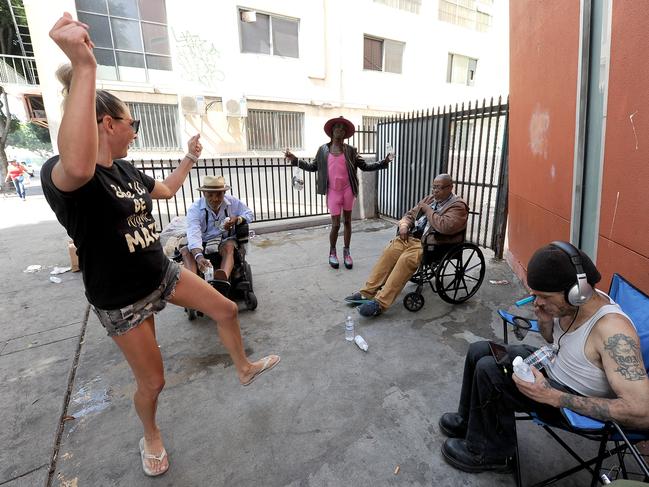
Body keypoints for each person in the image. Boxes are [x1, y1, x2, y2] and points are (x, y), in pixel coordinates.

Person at [42, 13, 279, 477]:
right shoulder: (72, 175)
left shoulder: (128, 172)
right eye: (133, 124)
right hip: (121, 297)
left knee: (227, 309)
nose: (135, 132)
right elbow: (77, 163)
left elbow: (167, 191)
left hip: (160, 272)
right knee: (153, 382)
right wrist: (84, 68)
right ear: (107, 124)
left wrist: (190, 157)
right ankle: (151, 434)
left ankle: (244, 367)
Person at [438, 242, 649, 473]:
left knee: (490, 371)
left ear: (577, 292)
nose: (537, 302)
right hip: (552, 366)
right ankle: (468, 421)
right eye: (535, 295)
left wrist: (553, 397)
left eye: (544, 297)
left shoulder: (613, 332)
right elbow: (553, 341)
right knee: (479, 349)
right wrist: (545, 322)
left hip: (567, 398)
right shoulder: (572, 304)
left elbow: (641, 411)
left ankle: (490, 453)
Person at [345, 174, 468, 317]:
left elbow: (445, 227)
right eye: (433, 187)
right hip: (413, 237)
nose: (434, 191)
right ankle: (367, 292)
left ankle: (381, 303)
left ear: (450, 187)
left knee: (406, 260)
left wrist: (428, 210)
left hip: (433, 244)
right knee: (390, 251)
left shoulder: (458, 206)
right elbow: (410, 215)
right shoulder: (430, 199)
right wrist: (404, 225)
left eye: (438, 188)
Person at [284, 116, 394, 269]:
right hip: (333, 191)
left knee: (348, 222)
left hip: (348, 190)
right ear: (332, 131)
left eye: (343, 128)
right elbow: (313, 167)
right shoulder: (323, 150)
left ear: (345, 133)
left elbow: (365, 166)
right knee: (335, 225)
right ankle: (332, 252)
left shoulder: (351, 151)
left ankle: (347, 252)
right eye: (337, 127)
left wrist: (384, 162)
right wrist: (296, 160)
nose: (340, 130)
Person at [181, 175, 254, 288]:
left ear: (224, 193)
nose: (215, 199)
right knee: (186, 251)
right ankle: (194, 285)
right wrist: (199, 256)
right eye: (210, 195)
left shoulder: (232, 202)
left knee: (229, 246)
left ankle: (222, 280)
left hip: (224, 240)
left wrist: (237, 219)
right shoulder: (194, 209)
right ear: (204, 194)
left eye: (219, 194)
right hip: (203, 242)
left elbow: (249, 214)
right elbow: (193, 233)